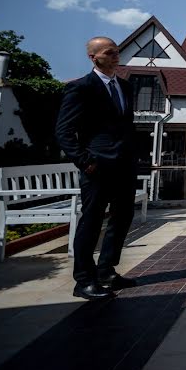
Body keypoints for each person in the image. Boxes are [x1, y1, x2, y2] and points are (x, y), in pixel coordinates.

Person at [56, 36, 139, 300]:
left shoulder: (125, 87)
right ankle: (84, 280)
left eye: (117, 51)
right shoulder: (82, 88)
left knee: (122, 218)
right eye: (110, 52)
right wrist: (85, 161)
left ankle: (106, 271)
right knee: (91, 222)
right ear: (93, 57)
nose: (116, 56)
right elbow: (64, 131)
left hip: (124, 165)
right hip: (98, 167)